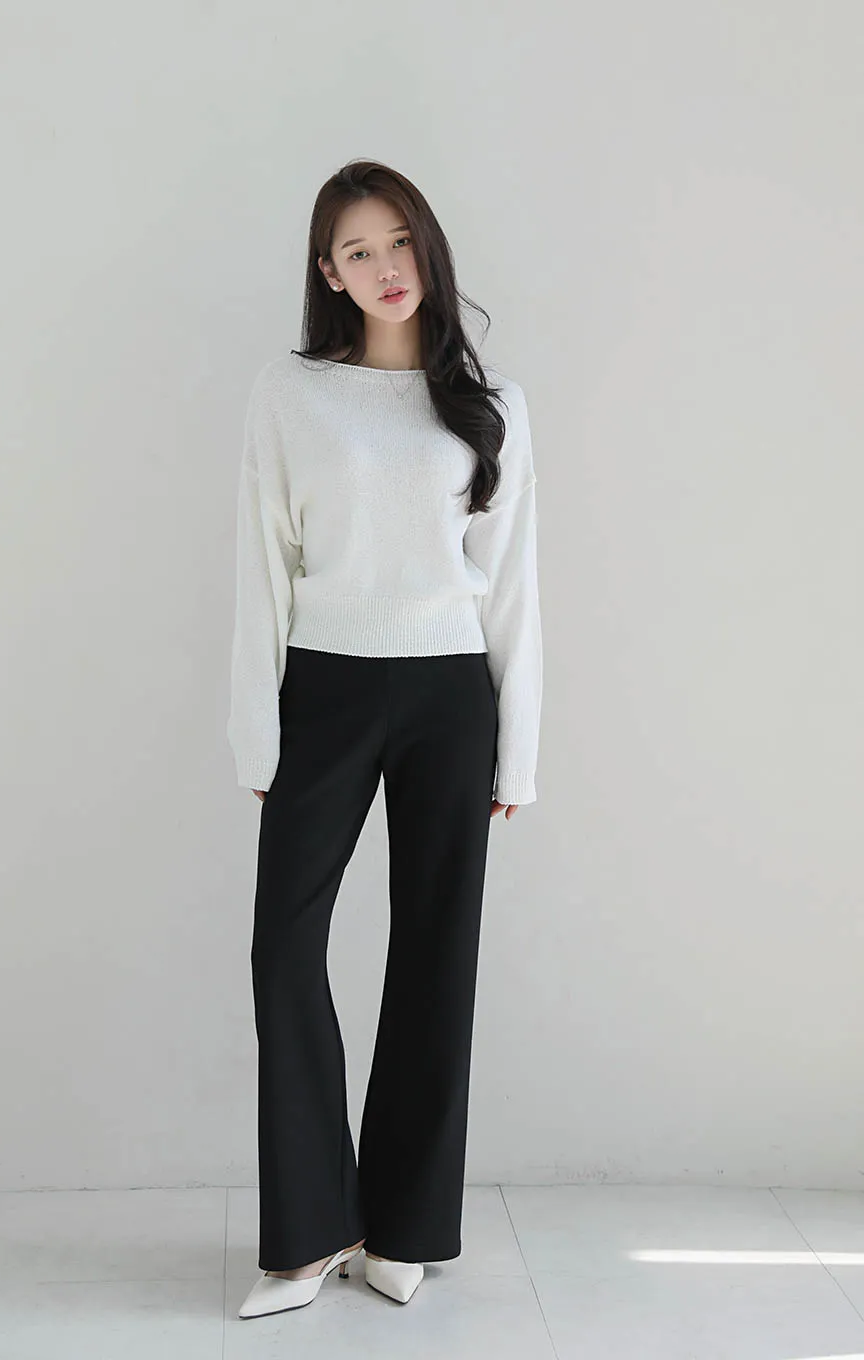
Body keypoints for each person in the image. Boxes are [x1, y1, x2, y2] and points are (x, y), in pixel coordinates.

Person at [227, 158, 542, 1320]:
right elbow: (262, 566)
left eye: (398, 240)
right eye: (356, 250)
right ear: (328, 272)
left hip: (449, 696)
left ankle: (403, 1227)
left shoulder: (491, 403)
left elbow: (512, 584)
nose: (384, 266)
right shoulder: (290, 393)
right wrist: (255, 733)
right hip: (324, 687)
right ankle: (311, 1233)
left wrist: (519, 748)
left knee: (435, 956)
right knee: (283, 949)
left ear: (428, 246)